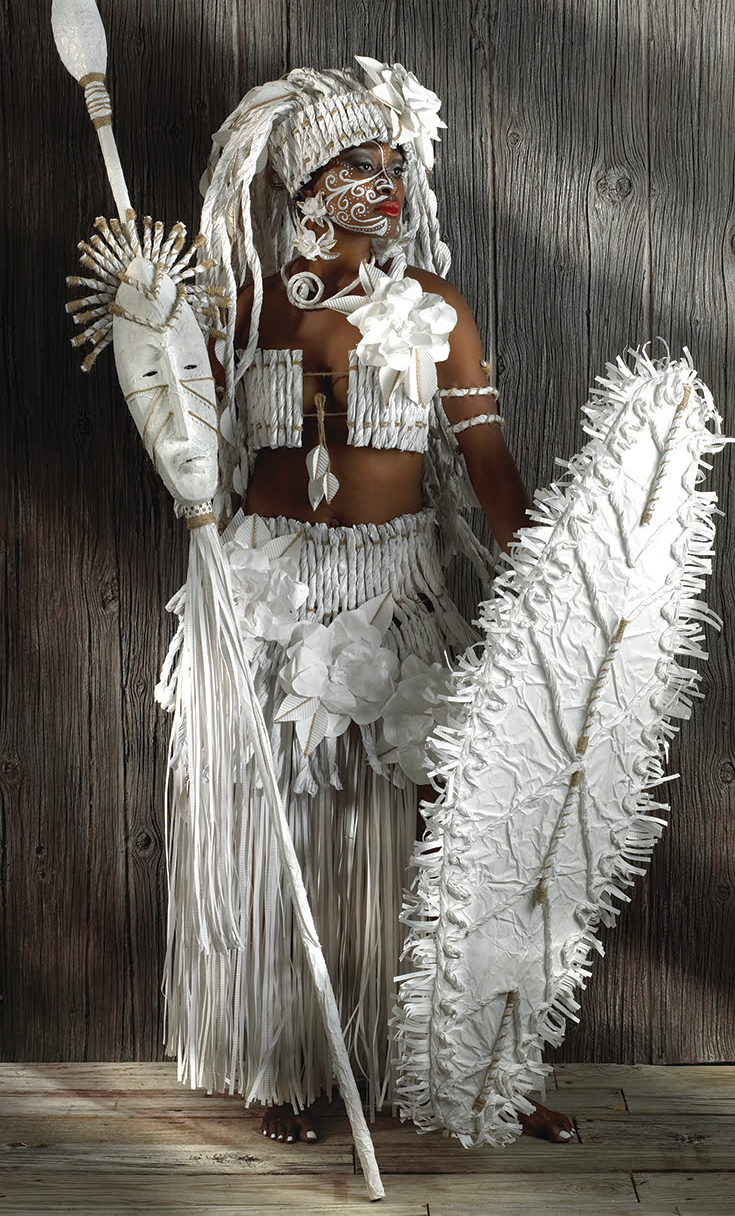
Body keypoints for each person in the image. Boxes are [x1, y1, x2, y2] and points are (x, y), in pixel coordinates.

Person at [148, 58, 575, 1146]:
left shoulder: (434, 309)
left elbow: (488, 468)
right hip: (267, 584)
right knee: (289, 829)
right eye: (357, 164)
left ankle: (455, 1065)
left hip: (396, 586)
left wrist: (553, 592)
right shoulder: (241, 308)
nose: (385, 183)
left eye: (395, 162)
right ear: (302, 183)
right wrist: (153, 341)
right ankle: (297, 1063)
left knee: (422, 832)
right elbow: (186, 444)